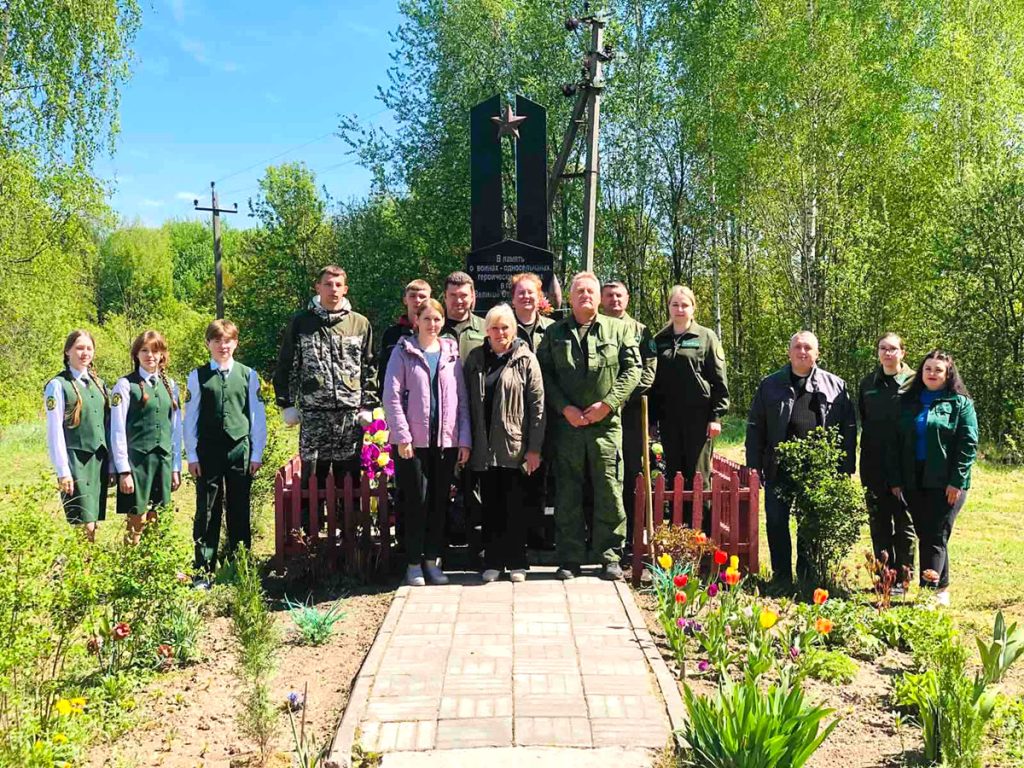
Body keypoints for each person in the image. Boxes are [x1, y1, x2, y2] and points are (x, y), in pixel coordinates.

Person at [537, 271, 641, 580]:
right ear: (569, 298)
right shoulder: (555, 333)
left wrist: (608, 404)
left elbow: (632, 370)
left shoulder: (620, 330)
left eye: (590, 291)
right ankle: (569, 557)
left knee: (609, 489)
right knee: (568, 492)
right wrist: (564, 408)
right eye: (579, 291)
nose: (585, 295)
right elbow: (545, 376)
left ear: (598, 298)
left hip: (605, 427)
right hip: (568, 427)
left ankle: (609, 556)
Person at [744, 331, 856, 586]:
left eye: (808, 348)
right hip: (778, 465)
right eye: (797, 347)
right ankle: (781, 576)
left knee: (810, 524)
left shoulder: (836, 386)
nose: (802, 352)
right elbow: (755, 428)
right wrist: (753, 466)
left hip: (816, 468)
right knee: (776, 520)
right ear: (789, 351)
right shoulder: (770, 385)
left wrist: (844, 468)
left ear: (817, 353)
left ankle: (808, 577)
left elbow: (848, 430)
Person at [383, 299, 471, 586]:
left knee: (438, 503)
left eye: (437, 319)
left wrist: (464, 439)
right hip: (413, 444)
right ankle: (413, 563)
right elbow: (391, 397)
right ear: (416, 321)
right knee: (416, 502)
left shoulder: (451, 354)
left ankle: (432, 561)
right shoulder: (403, 352)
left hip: (445, 444)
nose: (432, 324)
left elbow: (462, 401)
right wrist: (403, 436)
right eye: (427, 319)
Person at [887, 350, 978, 606]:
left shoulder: (961, 403)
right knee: (929, 534)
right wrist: (896, 480)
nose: (932, 374)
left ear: (948, 373)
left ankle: (928, 593)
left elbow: (968, 444)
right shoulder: (907, 401)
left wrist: (957, 482)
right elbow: (895, 443)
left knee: (935, 535)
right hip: (914, 480)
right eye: (928, 369)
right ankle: (941, 589)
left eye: (938, 370)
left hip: (946, 482)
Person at [274, 265, 377, 489]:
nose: (333, 289)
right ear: (318, 287)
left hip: (349, 416)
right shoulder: (302, 322)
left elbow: (369, 366)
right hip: (313, 414)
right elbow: (286, 364)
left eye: (338, 285)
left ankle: (348, 523)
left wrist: (368, 406)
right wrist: (286, 403)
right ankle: (308, 525)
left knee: (348, 478)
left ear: (346, 289)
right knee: (312, 476)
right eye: (328, 284)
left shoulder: (359, 324)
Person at [464, 303, 545, 582]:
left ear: (513, 329)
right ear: (486, 331)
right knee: (490, 506)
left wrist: (534, 449)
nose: (500, 333)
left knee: (515, 506)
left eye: (505, 327)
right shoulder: (475, 358)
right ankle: (494, 560)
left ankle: (517, 561)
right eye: (495, 328)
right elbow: (465, 402)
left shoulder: (526, 359)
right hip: (483, 446)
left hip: (515, 447)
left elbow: (538, 406)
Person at [184, 320, 268, 586]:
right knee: (207, 511)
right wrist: (192, 456)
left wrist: (256, 453)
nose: (223, 346)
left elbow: (256, 416)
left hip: (238, 449)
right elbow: (190, 419)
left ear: (236, 343)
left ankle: (240, 567)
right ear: (208, 344)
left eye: (228, 341)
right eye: (217, 341)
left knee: (239, 508)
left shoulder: (248, 374)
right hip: (208, 450)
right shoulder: (197, 377)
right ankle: (203, 572)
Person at [651, 285, 729, 530]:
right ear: (669, 307)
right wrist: (653, 420)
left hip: (699, 419)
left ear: (693, 308)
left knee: (698, 476)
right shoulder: (660, 339)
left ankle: (701, 535)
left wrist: (716, 415)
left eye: (685, 305)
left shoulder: (706, 337)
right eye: (675, 304)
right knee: (675, 475)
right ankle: (679, 532)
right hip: (669, 420)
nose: (680, 309)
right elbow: (653, 384)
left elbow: (718, 379)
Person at [600, 281, 658, 549]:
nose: (614, 300)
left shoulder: (641, 331)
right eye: (609, 296)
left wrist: (619, 398)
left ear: (627, 299)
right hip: (598, 413)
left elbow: (648, 371)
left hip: (631, 413)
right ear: (602, 299)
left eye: (619, 295)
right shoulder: (595, 327)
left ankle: (632, 536)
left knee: (630, 471)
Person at [111, 330, 183, 545]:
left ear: (162, 355)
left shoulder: (171, 385)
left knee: (158, 517)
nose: (150, 355)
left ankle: (154, 571)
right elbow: (117, 429)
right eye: (144, 350)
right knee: (137, 519)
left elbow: (175, 429)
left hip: (163, 461)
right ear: (136, 354)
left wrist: (176, 467)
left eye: (155, 350)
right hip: (137, 463)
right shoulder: (125, 385)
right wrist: (124, 470)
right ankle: (131, 568)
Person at [858, 332, 915, 587]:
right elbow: (864, 421)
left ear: (903, 352)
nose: (887, 353)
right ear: (877, 352)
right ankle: (884, 578)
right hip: (873, 463)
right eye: (883, 348)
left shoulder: (914, 382)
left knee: (904, 522)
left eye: (893, 349)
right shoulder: (867, 383)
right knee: (878, 522)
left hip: (905, 465)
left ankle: (903, 578)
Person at [44, 330, 112, 542]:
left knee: (93, 522)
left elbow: (107, 426)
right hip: (76, 462)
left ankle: (85, 569)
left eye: (89, 348)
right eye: (79, 348)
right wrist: (63, 471)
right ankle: (82, 570)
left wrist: (111, 465)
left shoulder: (99, 384)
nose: (85, 353)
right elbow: (55, 431)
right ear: (67, 351)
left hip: (98, 460)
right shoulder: (58, 385)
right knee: (84, 524)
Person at [510, 271, 556, 548]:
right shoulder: (504, 328)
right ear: (512, 299)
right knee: (514, 476)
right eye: (521, 293)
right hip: (513, 415)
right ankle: (516, 535)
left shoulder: (553, 330)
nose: (526, 297)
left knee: (542, 474)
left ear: (540, 298)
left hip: (546, 412)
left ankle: (539, 534)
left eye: (531, 293)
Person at [378, 279, 432, 396]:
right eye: (412, 296)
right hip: (397, 398)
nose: (417, 300)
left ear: (429, 300)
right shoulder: (392, 334)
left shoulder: (436, 334)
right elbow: (382, 371)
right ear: (405, 300)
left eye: (422, 296)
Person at [441, 271, 486, 360]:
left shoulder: (485, 328)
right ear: (445, 297)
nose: (459, 301)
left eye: (463, 295)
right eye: (453, 295)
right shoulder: (433, 327)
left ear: (472, 297)